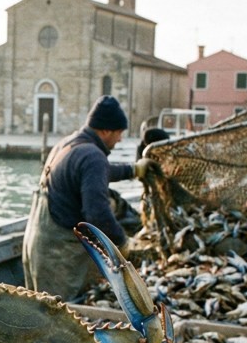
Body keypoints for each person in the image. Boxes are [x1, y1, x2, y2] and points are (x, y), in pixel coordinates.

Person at [22, 96, 153, 301]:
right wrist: (122, 242)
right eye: (119, 133)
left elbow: (95, 174)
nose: (120, 139)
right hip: (59, 255)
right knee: (61, 317)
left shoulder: (68, 144)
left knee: (42, 310)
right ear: (105, 131)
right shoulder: (93, 156)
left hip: (35, 245)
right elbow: (97, 214)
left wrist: (133, 170)